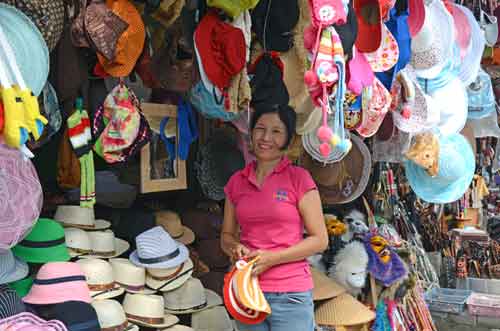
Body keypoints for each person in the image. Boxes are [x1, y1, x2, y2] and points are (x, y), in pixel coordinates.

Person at [221, 104, 328, 331]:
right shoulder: (236, 182)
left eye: (276, 131)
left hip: (291, 294)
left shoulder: (299, 178)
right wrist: (234, 247)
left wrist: (273, 258)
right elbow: (227, 236)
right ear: (251, 132)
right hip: (247, 289)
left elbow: (320, 240)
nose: (266, 137)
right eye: (260, 128)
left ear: (288, 139)